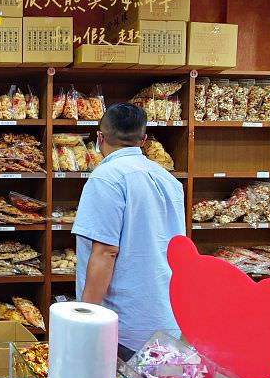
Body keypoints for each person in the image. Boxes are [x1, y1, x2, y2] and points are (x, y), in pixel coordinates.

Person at [71, 102, 185, 360]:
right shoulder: (169, 180)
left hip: (123, 323)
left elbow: (105, 252)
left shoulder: (106, 178)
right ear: (143, 140)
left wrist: (85, 320)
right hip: (166, 315)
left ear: (99, 138)